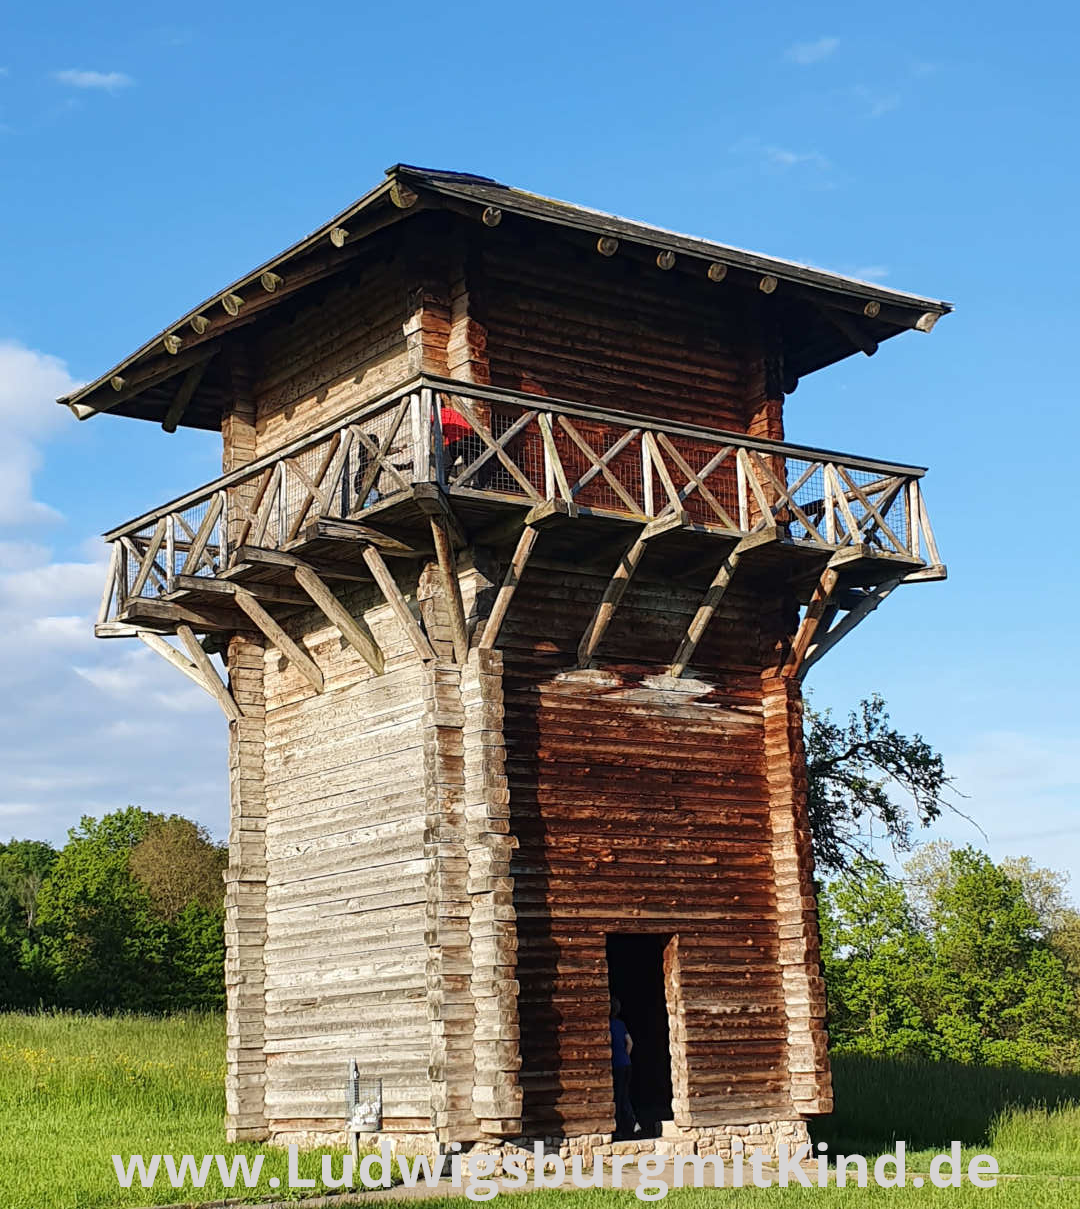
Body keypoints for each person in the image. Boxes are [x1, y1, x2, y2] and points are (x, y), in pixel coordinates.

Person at [440, 403, 493, 488]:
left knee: (446, 464)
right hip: (470, 436)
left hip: (455, 438)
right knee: (472, 463)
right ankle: (480, 484)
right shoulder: (452, 411)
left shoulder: (437, 413)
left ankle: (442, 484)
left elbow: (435, 429)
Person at [610, 997, 637, 1139]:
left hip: (617, 1065)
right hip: (627, 1064)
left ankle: (620, 1129)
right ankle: (633, 1123)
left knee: (617, 1097)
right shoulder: (621, 1024)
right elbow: (630, 1043)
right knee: (624, 1094)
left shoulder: (607, 1025)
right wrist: (625, 1057)